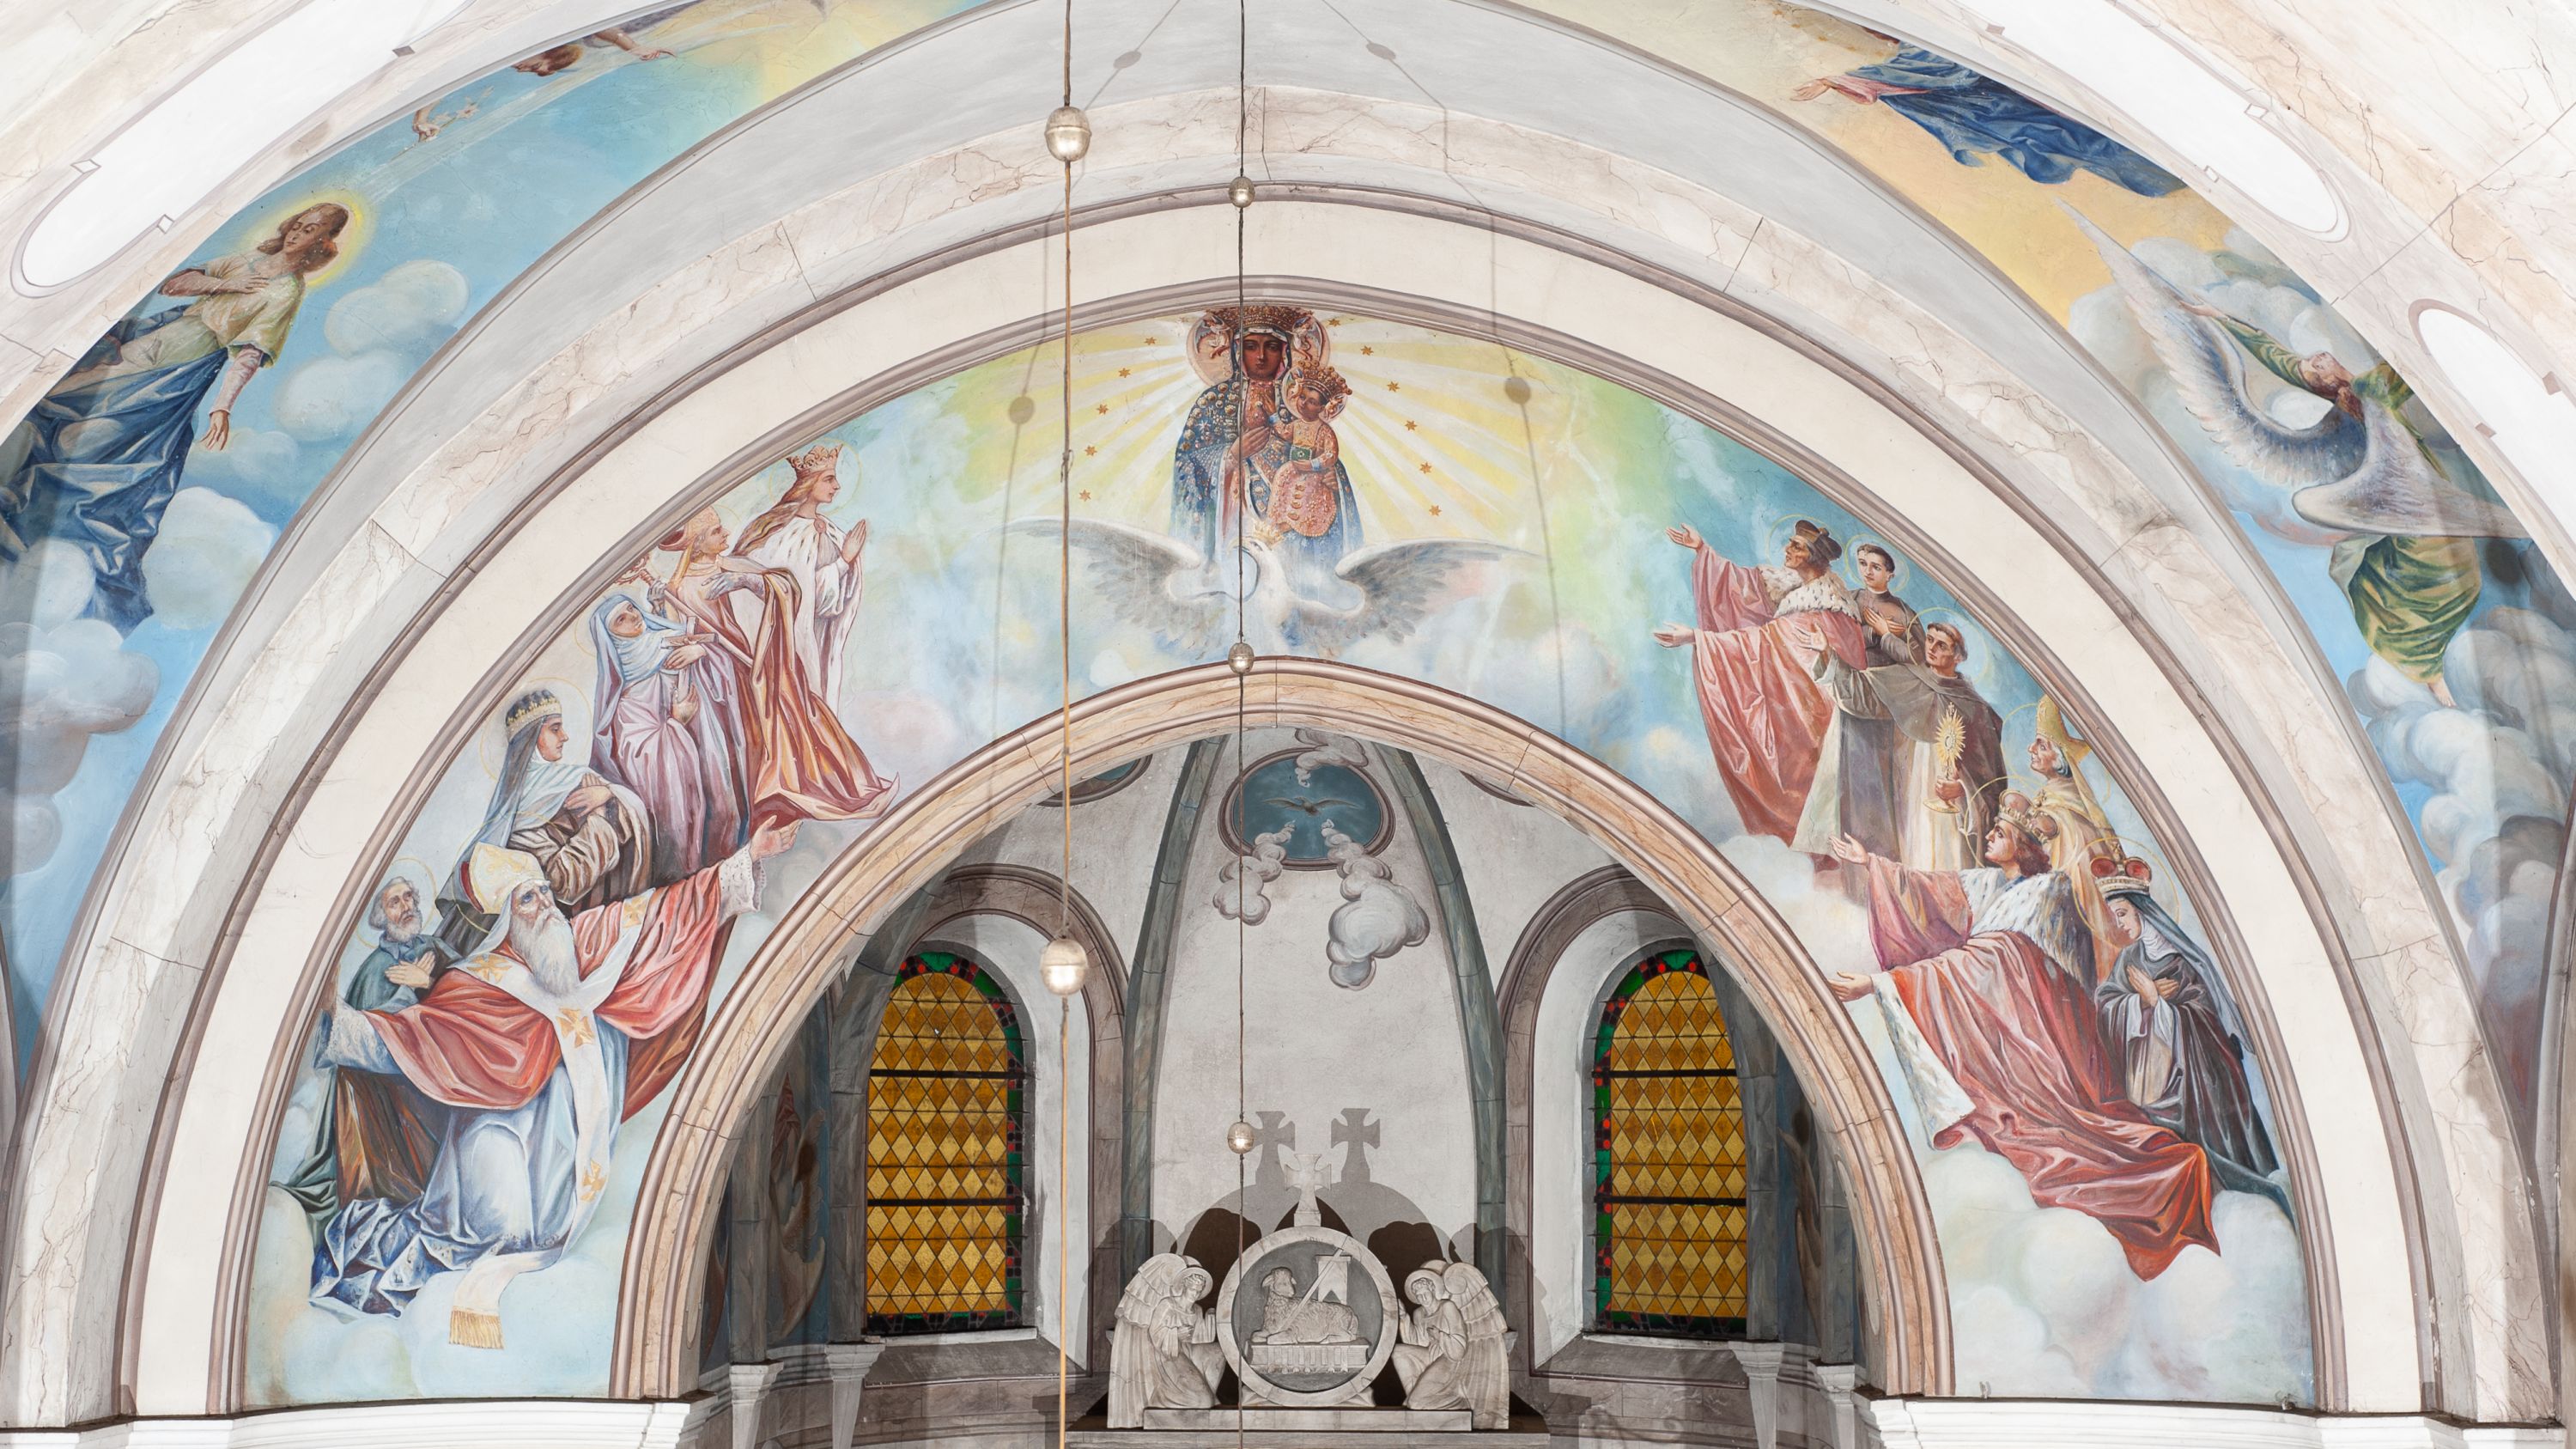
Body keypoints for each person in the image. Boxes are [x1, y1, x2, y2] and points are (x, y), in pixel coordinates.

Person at [308, 820, 799, 1347]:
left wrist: (747, 858)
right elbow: (407, 1039)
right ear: (506, 921)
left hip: (565, 1148)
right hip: (496, 1140)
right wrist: (338, 1021)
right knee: (500, 1227)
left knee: (537, 1235)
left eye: (545, 894)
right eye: (527, 900)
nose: (544, 906)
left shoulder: (580, 945)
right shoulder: (476, 985)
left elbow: (662, 913)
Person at [1825, 807, 2216, 1280]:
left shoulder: (2047, 891)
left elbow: (1995, 962)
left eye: (2001, 831)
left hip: (2036, 1034)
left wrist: (1881, 984)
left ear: (2025, 846)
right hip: (1997, 1024)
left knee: (2057, 1141)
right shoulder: (1992, 883)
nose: (1989, 835)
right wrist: (1872, 864)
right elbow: (1935, 890)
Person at [1, 203, 348, 629]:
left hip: (178, 371)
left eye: (310, 230)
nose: (296, 233)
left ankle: (30, 502)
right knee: (61, 397)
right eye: (297, 223)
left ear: (322, 242)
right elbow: (176, 284)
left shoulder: (286, 293)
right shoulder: (247, 261)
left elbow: (249, 354)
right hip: (159, 335)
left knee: (91, 430)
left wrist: (222, 407)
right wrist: (227, 284)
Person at [2183, 301, 2482, 703]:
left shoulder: (2371, 387)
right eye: (2313, 368)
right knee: (2403, 588)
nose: (2316, 361)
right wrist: (2219, 318)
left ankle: (2431, 668)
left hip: (2424, 492)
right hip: (2394, 504)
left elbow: (2410, 365)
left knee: (2462, 578)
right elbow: (2275, 358)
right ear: (2322, 384)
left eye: (2319, 361)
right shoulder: (2358, 400)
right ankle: (2428, 671)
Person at [649, 506, 895, 826]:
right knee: (732, 751)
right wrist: (659, 604)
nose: (726, 533)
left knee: (790, 718)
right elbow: (675, 635)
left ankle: (800, 789)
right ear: (696, 544)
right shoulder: (678, 588)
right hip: (713, 682)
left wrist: (747, 581)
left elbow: (786, 588)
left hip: (748, 667)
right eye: (716, 531)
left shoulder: (732, 566)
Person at [1653, 520, 1869, 842]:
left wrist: (1698, 638)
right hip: (1802, 705)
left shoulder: (1822, 609)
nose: (1787, 548)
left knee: (1801, 785)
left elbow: (1766, 643)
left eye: (1796, 546)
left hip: (1814, 715)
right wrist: (1702, 550)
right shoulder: (1796, 589)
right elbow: (1744, 588)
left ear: (1812, 557)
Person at [2094, 858, 2287, 1209]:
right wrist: (2141, 1002)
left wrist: (2162, 1006)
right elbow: (2105, 1003)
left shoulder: (2184, 962)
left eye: (2122, 914)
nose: (2118, 924)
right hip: (2146, 1080)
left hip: (2192, 1088)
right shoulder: (2129, 960)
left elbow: (2207, 1023)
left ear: (2142, 911)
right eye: (2115, 916)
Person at [1793, 38, 2183, 197]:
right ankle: (2161, 171)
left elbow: (1935, 68)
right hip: (2013, 109)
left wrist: (1837, 80)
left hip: (2018, 104)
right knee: (2076, 143)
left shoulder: (1927, 39)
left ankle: (2161, 167)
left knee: (2080, 140)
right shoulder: (1914, 45)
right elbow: (1917, 70)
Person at [276, 869, 445, 1227]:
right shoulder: (373, 970)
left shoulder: (436, 948)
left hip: (442, 1071)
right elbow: (372, 1041)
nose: (405, 907)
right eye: (394, 902)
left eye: (408, 897)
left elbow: (465, 1001)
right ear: (382, 917)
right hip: (393, 1094)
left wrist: (428, 982)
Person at [455, 688, 653, 929]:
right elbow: (562, 883)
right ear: (532, 737)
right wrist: (601, 817)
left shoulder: (580, 778)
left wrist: (609, 794)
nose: (565, 736)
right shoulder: (518, 813)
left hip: (618, 903)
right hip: (577, 923)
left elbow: (635, 815)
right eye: (555, 729)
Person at [589, 592, 747, 882]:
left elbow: (732, 668)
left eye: (632, 608)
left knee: (725, 811)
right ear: (612, 640)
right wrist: (676, 723)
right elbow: (639, 756)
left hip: (713, 754)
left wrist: (703, 653)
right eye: (621, 620)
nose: (634, 617)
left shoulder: (673, 641)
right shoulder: (627, 696)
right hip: (685, 777)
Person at [730, 443, 867, 703]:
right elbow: (800, 596)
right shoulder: (779, 535)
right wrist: (844, 561)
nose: (837, 486)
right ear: (808, 484)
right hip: (787, 649)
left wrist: (846, 563)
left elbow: (829, 606)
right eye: (828, 479)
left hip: (816, 640)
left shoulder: (832, 531)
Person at [1228, 363, 1362, 586]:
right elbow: (1283, 432)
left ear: (1322, 408)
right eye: (1302, 397)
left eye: (1312, 401)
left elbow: (1331, 455)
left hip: (1311, 473)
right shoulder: (1297, 425)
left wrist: (1313, 465)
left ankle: (1292, 524)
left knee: (1306, 498)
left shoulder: (1324, 430)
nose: (1304, 404)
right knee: (1282, 487)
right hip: (1291, 470)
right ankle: (1277, 522)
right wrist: (1273, 414)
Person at [1891, 623, 2008, 870]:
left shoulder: (1975, 708)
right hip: (1914, 795)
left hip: (1954, 813)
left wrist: (1963, 789)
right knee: (1916, 859)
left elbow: (1993, 783)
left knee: (1947, 864)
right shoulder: (1912, 685)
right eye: (1929, 640)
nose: (1931, 648)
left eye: (1941, 645)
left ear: (1958, 657)